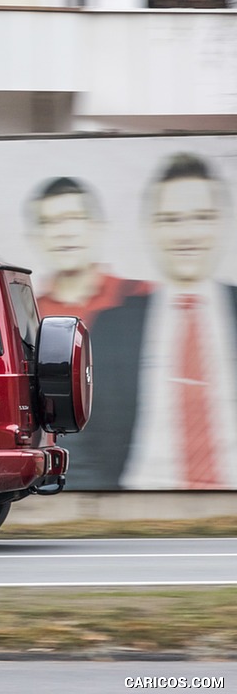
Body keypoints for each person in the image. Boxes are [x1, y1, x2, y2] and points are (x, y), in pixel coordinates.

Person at [71, 152, 237, 490]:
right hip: (140, 501)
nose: (186, 234)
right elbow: (79, 432)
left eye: (201, 217)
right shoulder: (111, 327)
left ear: (223, 222)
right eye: (170, 220)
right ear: (150, 228)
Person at [26, 176, 152, 328]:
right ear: (35, 238)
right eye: (49, 222)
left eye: (74, 218)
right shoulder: (28, 316)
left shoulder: (139, 295)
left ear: (98, 227)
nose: (64, 232)